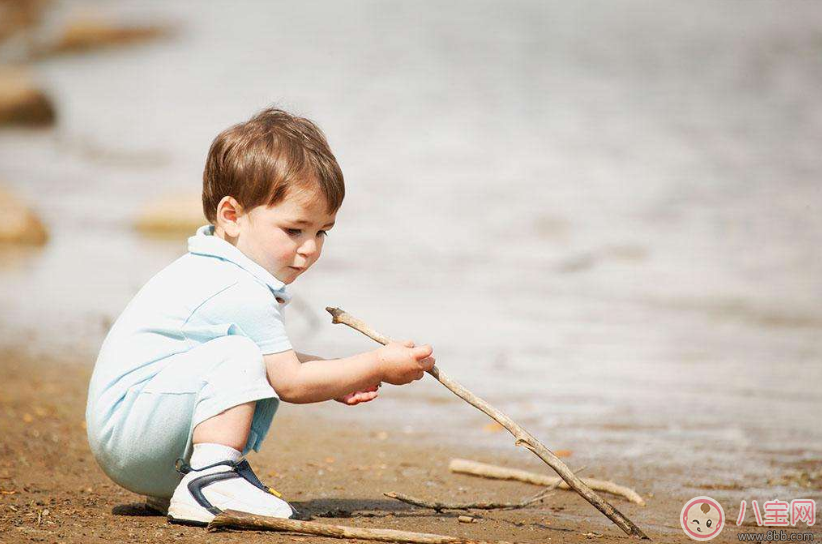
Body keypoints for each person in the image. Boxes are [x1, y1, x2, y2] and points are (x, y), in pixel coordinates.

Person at [85, 108, 435, 525]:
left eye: (322, 232)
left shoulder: (214, 266)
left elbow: (273, 360)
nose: (311, 249)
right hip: (133, 435)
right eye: (294, 230)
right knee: (237, 354)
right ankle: (210, 483)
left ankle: (193, 482)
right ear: (231, 216)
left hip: (135, 437)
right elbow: (288, 381)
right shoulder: (238, 288)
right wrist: (378, 363)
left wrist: (341, 375)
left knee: (240, 352)